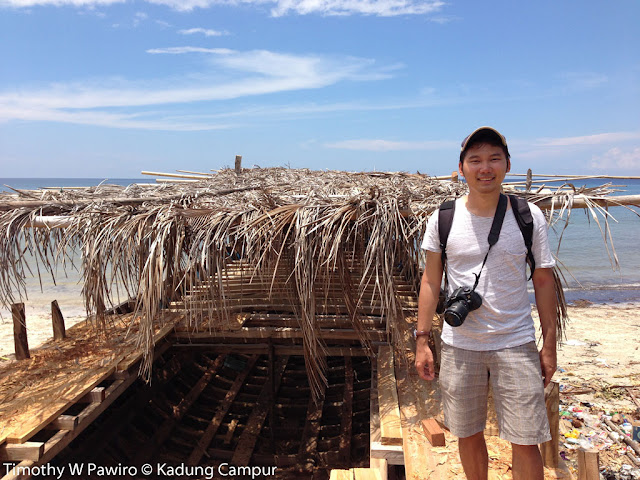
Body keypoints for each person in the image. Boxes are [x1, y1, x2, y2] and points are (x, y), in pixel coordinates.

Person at [415, 127, 558, 480]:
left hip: (516, 343)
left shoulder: (528, 216)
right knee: (467, 432)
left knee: (527, 440)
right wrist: (422, 340)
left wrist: (550, 345)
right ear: (461, 168)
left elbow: (542, 279)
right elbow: (431, 280)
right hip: (460, 345)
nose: (485, 167)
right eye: (475, 159)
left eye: (494, 158)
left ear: (507, 165)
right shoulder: (443, 218)